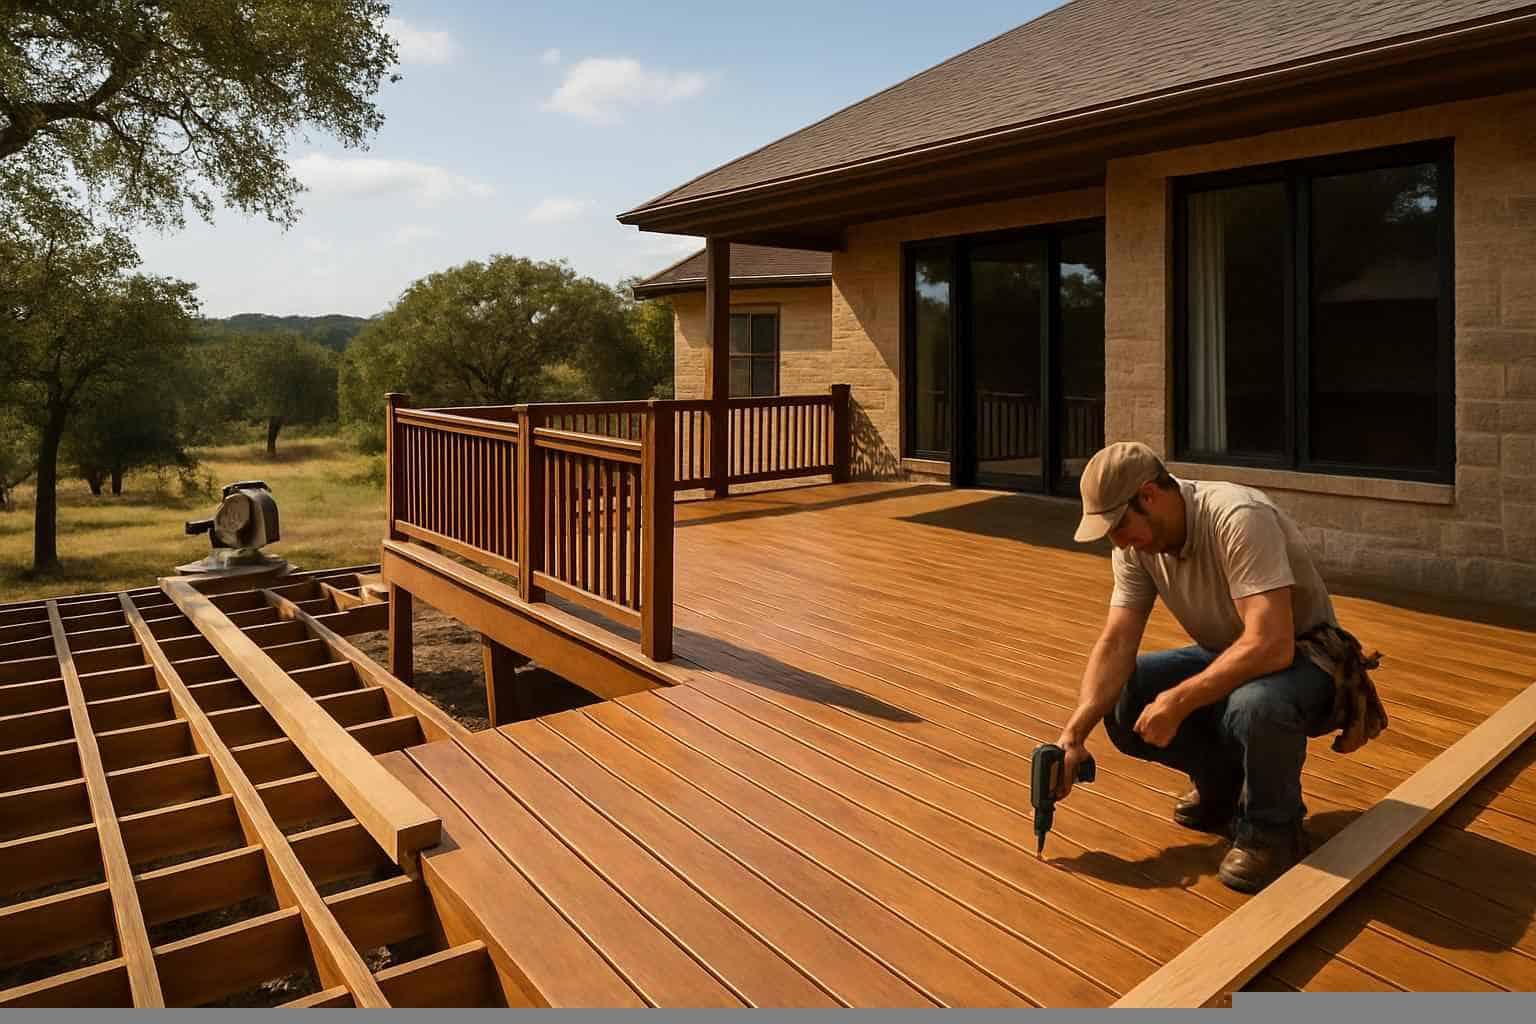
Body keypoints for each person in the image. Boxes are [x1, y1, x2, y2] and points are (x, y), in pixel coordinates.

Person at [1053, 441, 1349, 893]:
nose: (1118, 541)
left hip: (1309, 658)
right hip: (1231, 650)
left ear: (1149, 495)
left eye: (1119, 525)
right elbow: (1116, 642)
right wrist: (1072, 736)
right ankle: (1222, 787)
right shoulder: (1137, 546)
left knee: (1254, 706)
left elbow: (1271, 645)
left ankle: (1274, 832)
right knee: (1127, 698)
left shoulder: (1237, 517)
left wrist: (1179, 699)